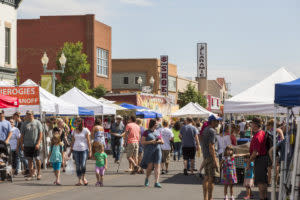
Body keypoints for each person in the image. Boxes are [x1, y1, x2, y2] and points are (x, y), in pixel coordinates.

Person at [246, 117, 268, 200]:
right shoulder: (262, 132)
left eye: (252, 124)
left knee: (260, 182)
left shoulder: (257, 136)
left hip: (260, 160)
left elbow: (255, 153)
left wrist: (248, 163)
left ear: (255, 125)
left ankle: (263, 198)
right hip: (263, 159)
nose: (251, 125)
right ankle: (265, 197)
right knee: (263, 182)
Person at [202, 115, 222, 200]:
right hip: (211, 157)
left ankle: (206, 198)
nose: (218, 123)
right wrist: (215, 160)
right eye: (217, 121)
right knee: (211, 179)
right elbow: (212, 146)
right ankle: (210, 198)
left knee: (206, 177)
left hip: (206, 156)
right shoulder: (212, 131)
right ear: (213, 121)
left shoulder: (206, 129)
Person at [20, 110, 43, 181]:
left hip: (35, 144)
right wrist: (21, 144)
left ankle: (39, 173)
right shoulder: (24, 124)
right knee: (29, 160)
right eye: (27, 114)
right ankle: (30, 174)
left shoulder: (37, 122)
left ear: (33, 115)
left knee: (37, 159)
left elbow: (40, 134)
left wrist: (38, 143)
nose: (28, 115)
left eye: (29, 114)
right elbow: (22, 135)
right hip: (27, 144)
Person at [141, 119, 164, 188]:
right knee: (150, 167)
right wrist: (151, 142)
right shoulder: (146, 132)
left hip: (158, 151)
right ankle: (147, 178)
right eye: (156, 124)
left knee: (158, 166)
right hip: (149, 151)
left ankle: (156, 182)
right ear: (153, 124)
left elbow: (162, 141)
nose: (157, 125)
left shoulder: (157, 132)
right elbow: (142, 142)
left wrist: (159, 141)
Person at [69, 117, 92, 186]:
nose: (75, 124)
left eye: (76, 122)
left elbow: (88, 141)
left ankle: (83, 178)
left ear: (80, 123)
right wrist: (70, 150)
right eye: (74, 123)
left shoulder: (85, 130)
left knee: (83, 165)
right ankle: (79, 180)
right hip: (76, 150)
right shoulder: (74, 131)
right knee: (78, 166)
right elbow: (72, 141)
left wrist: (90, 150)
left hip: (84, 149)